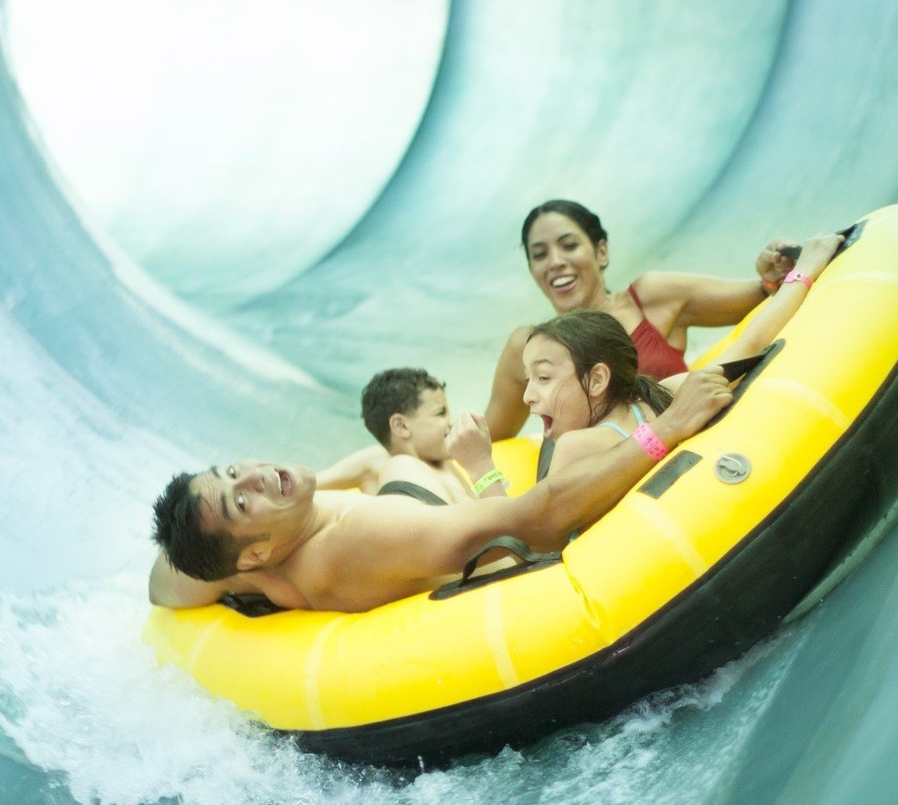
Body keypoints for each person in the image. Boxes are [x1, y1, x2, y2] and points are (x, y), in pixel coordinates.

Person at [146, 364, 735, 613]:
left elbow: (163, 584)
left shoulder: (249, 557)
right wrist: (669, 429)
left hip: (392, 510)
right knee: (599, 429)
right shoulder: (369, 532)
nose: (250, 476)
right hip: (482, 544)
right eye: (239, 500)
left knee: (386, 466)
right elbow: (534, 520)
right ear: (252, 552)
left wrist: (232, 537)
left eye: (230, 471)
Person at [525, 233, 844, 480]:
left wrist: (485, 472)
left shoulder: (571, 447)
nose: (527, 396)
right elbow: (752, 342)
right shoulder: (664, 395)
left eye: (542, 378)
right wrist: (803, 271)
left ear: (596, 379)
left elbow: (537, 532)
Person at [486, 199, 799, 439]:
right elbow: (494, 435)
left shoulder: (651, 298)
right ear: (532, 270)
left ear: (601, 252)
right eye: (539, 254)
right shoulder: (525, 348)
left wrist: (773, 272)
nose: (555, 262)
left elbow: (765, 294)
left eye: (569, 245)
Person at [317, 368, 507, 505]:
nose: (451, 422)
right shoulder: (377, 460)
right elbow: (310, 485)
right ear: (401, 426)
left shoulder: (444, 461)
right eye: (441, 413)